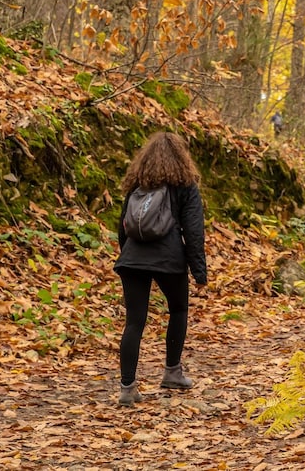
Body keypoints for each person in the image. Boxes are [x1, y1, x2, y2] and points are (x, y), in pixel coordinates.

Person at [114, 132, 207, 407]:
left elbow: (123, 226)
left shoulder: (137, 184)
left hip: (132, 259)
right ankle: (172, 371)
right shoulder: (185, 185)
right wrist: (198, 271)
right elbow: (194, 231)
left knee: (134, 322)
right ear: (182, 157)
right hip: (169, 259)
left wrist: (127, 255)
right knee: (178, 309)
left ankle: (127, 388)